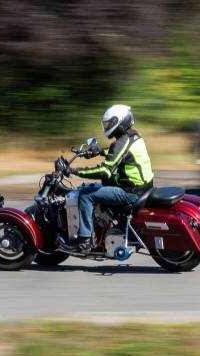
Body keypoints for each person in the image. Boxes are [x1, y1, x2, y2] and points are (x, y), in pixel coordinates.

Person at [61, 104, 154, 254]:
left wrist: (73, 171)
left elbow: (104, 171)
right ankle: (104, 224)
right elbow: (118, 153)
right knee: (104, 184)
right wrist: (98, 152)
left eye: (110, 123)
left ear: (121, 121)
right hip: (141, 187)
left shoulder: (122, 141)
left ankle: (84, 240)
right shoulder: (133, 136)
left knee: (86, 194)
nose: (108, 127)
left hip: (131, 192)